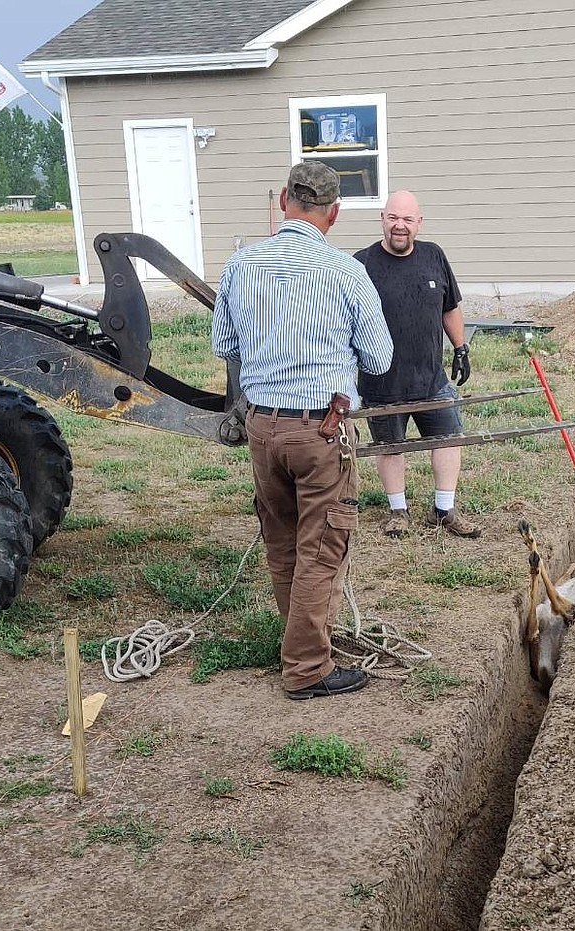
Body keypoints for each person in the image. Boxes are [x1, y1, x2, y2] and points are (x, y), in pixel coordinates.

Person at [211, 161, 393, 700]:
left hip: (263, 428)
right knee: (321, 549)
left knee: (285, 543)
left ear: (285, 201)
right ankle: (308, 667)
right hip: (321, 432)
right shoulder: (345, 271)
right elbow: (380, 359)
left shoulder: (241, 265)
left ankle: (301, 642)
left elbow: (225, 345)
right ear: (332, 213)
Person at [354, 190, 481, 540]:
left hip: (431, 379)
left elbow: (450, 307)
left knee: (448, 438)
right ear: (382, 218)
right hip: (381, 382)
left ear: (418, 223)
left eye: (408, 219)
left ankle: (445, 509)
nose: (400, 226)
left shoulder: (433, 255)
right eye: (394, 217)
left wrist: (460, 347)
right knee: (390, 446)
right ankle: (398, 511)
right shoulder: (361, 264)